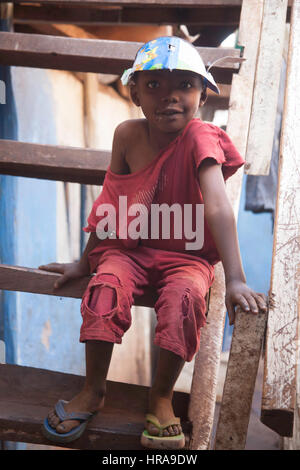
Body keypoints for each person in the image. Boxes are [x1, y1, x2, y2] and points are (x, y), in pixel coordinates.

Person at [40, 36, 268, 449]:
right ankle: (94, 388)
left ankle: (160, 396)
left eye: (184, 85)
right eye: (155, 86)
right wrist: (83, 262)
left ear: (202, 94)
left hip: (187, 257)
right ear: (135, 93)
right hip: (130, 251)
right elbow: (113, 202)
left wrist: (234, 278)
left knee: (184, 298)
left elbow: (217, 207)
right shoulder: (127, 135)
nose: (170, 97)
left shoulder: (202, 137)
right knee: (105, 286)